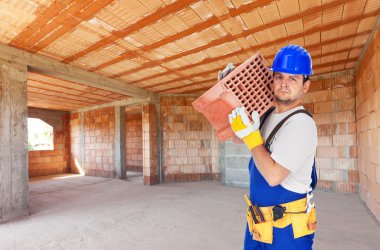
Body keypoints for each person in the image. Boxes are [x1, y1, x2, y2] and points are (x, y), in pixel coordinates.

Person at [227, 45, 318, 249]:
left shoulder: (301, 123)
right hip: (258, 224)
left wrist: (251, 136)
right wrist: (230, 96)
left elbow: (274, 176)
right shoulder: (267, 114)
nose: (284, 84)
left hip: (287, 231)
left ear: (305, 86)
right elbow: (236, 138)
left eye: (292, 78)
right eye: (279, 77)